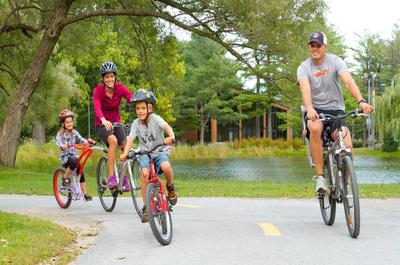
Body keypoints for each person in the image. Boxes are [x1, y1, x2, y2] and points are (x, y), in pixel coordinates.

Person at [297, 31, 373, 194]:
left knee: (349, 147)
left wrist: (361, 101)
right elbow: (305, 90)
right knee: (315, 128)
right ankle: (320, 178)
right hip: (315, 111)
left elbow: (348, 81)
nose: (315, 48)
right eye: (312, 45)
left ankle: (345, 184)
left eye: (318, 45)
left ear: (325, 46)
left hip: (336, 111)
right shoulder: (304, 67)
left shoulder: (336, 61)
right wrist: (309, 109)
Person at [120, 89, 177, 223]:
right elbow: (130, 139)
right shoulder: (135, 124)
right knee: (145, 174)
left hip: (159, 151)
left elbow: (167, 127)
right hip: (145, 153)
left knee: (166, 166)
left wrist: (171, 136)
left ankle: (170, 187)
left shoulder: (155, 119)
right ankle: (146, 206)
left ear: (149, 108)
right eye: (137, 108)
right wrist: (125, 153)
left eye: (143, 108)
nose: (140, 111)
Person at [93, 61, 132, 191]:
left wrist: (141, 107)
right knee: (113, 140)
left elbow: (131, 99)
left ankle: (123, 177)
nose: (110, 79)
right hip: (102, 124)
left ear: (115, 77)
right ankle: (111, 178)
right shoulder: (98, 90)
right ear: (103, 79)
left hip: (116, 123)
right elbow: (97, 106)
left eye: (111, 76)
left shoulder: (120, 88)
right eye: (107, 77)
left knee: (125, 144)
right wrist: (103, 119)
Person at [55, 109, 95, 201]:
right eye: (67, 122)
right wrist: (62, 145)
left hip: (74, 157)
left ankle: (85, 194)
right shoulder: (60, 134)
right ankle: (64, 179)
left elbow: (82, 140)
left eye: (71, 122)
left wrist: (88, 142)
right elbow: (58, 142)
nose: (69, 124)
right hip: (65, 158)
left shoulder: (75, 133)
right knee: (74, 162)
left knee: (81, 171)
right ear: (63, 124)